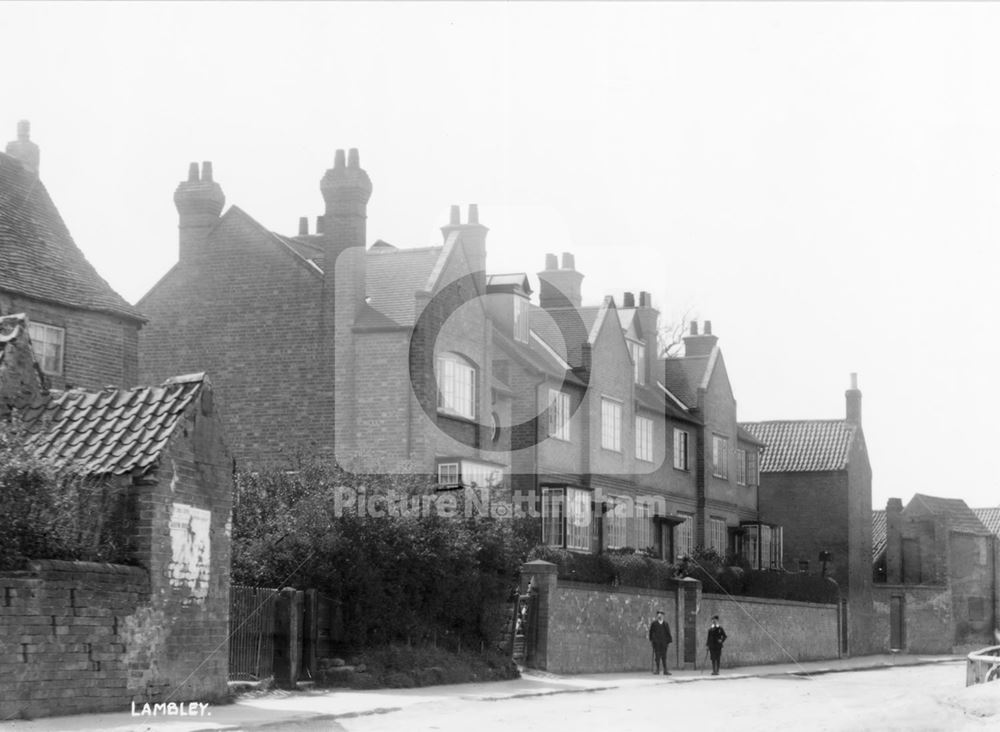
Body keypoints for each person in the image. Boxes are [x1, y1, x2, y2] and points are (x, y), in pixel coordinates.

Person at [648, 610, 672, 675]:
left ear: (663, 616)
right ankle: (657, 670)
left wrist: (668, 641)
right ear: (657, 615)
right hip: (657, 643)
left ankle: (665, 670)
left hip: (664, 643)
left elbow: (668, 633)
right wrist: (652, 640)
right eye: (658, 614)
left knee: (664, 657)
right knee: (657, 656)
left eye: (661, 614)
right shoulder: (654, 624)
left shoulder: (665, 624)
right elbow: (651, 632)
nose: (660, 615)